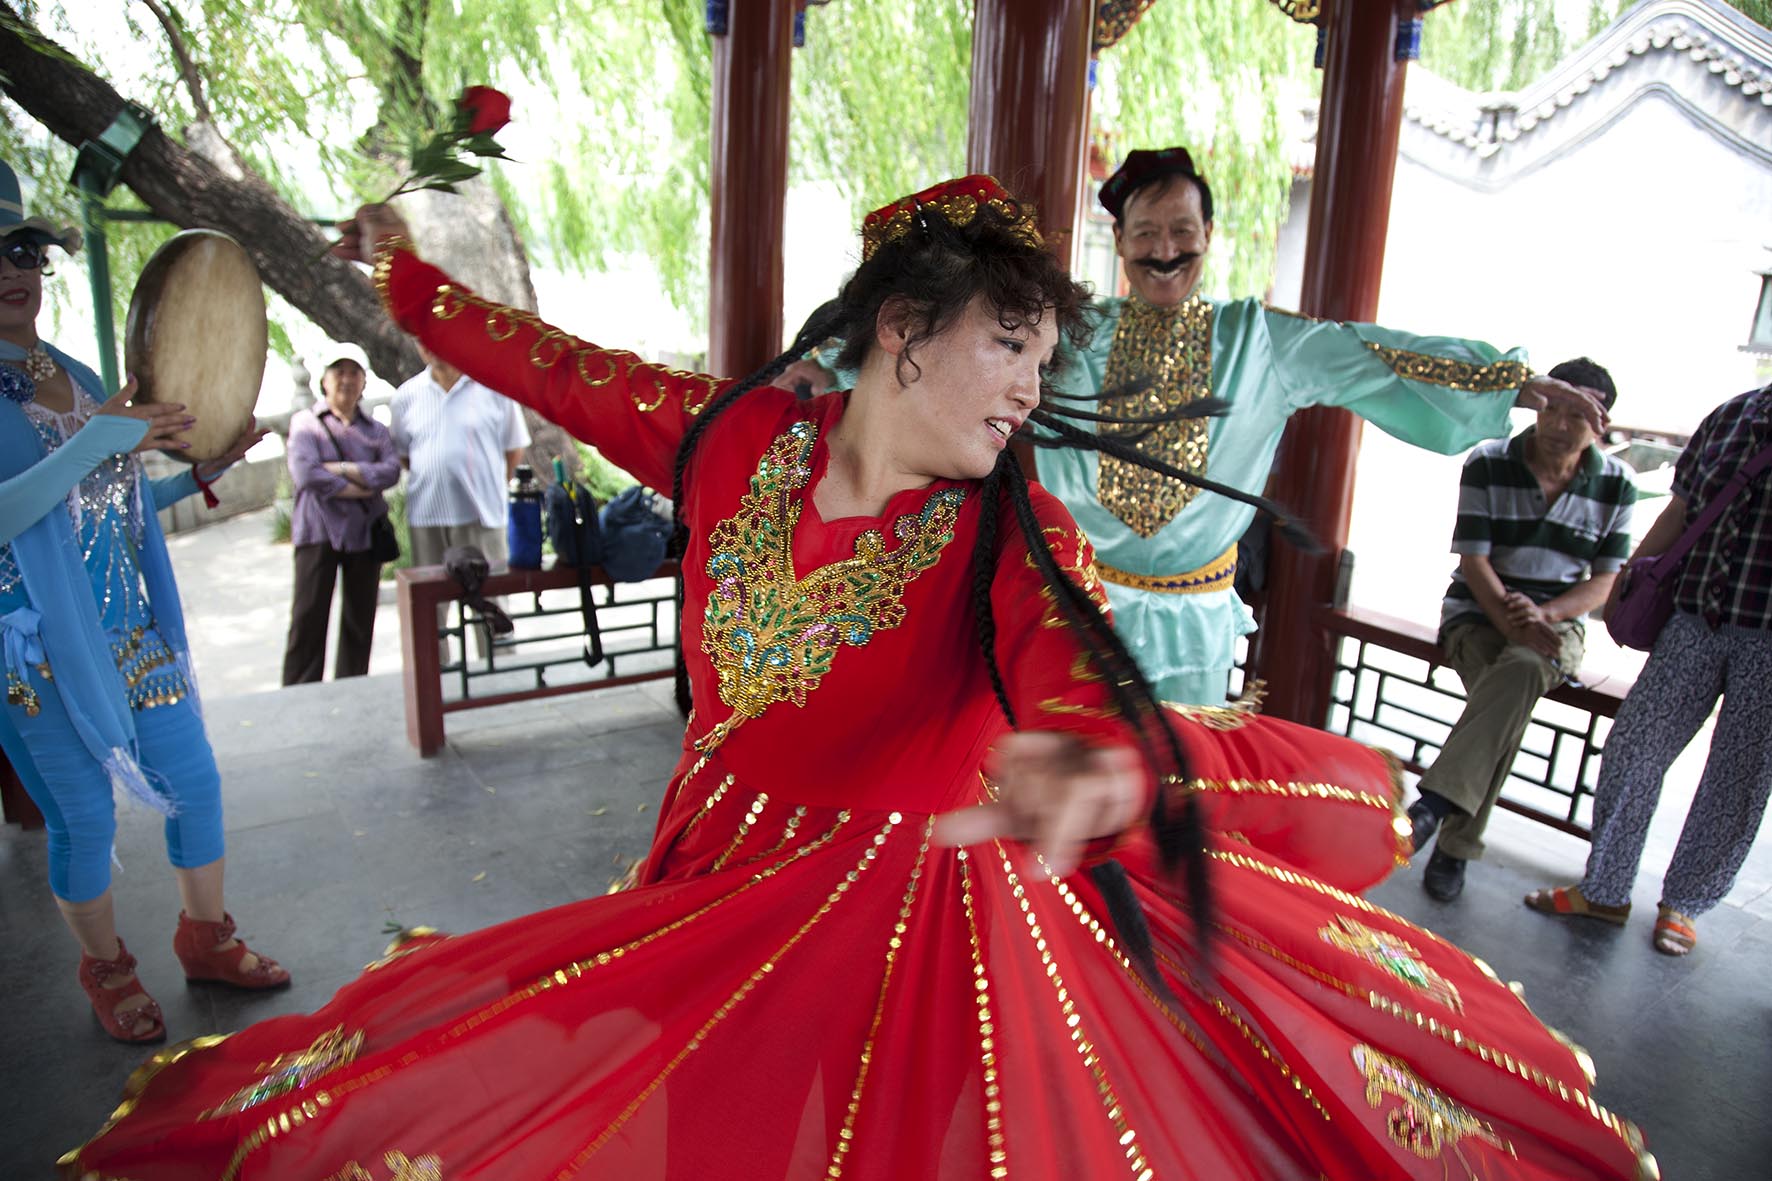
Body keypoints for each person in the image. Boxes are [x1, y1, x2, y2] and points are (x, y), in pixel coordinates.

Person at [61, 178, 1652, 1180]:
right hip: (714, 875)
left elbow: (1074, 664)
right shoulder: (736, 433)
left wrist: (1096, 761)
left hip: (916, 924)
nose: (1034, 389)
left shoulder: (1003, 538)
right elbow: (541, 361)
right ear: (904, 332)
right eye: (1010, 348)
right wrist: (406, 282)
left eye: (1046, 359)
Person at [796, 148, 1611, 705]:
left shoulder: (1265, 343)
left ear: (1208, 239)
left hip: (1194, 618)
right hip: (1071, 602)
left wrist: (1511, 382)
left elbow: (1378, 355)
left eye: (1181, 231)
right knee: (1050, 782)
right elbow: (955, 338)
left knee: (1168, 800)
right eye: (1145, 233)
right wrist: (829, 367)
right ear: (1119, 244)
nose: (1164, 249)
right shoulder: (1074, 335)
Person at [0, 159, 287, 1047]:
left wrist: (205, 469)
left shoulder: (76, 372)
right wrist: (97, 443)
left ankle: (205, 938)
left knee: (195, 780)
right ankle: (108, 969)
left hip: (131, 633)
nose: (15, 270)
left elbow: (117, 501)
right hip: (39, 650)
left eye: (24, 250)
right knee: (83, 815)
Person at [1527, 381, 1772, 958]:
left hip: (1768, 639)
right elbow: (1682, 508)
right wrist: (1630, 578)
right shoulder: (1736, 415)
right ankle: (1605, 889)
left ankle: (1684, 904)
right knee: (1635, 747)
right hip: (1693, 616)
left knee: (1737, 777)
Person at [1400, 359, 1636, 902]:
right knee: (1509, 696)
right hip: (1478, 610)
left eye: (1579, 413)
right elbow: (1474, 559)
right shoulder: (1490, 461)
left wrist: (1545, 616)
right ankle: (1455, 847)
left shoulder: (1617, 485)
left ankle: (1434, 807)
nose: (1559, 422)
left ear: (1600, 424)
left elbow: (1605, 580)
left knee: (1520, 674)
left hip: (1557, 621)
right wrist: (1512, 615)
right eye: (1554, 405)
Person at [390, 341, 529, 658]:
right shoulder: (406, 396)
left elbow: (514, 447)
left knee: (491, 596)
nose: (429, 346)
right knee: (430, 604)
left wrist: (488, 482)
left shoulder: (493, 388)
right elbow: (404, 454)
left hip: (481, 514)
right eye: (420, 339)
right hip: (427, 517)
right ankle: (435, 678)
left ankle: (500, 674)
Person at [280, 349, 401, 684]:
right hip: (318, 532)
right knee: (308, 617)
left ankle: (353, 684)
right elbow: (306, 474)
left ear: (363, 382)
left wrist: (343, 469)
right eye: (338, 372)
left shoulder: (375, 429)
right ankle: (299, 692)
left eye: (354, 372)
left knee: (360, 619)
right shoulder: (306, 424)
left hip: (364, 533)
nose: (346, 380)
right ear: (324, 380)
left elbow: (390, 471)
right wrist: (358, 487)